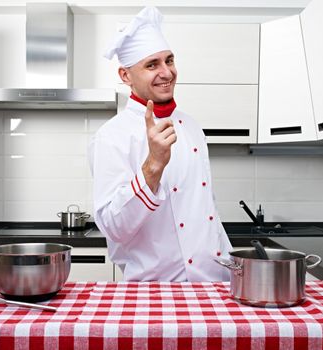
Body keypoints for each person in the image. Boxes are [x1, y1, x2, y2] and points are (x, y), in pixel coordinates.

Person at [88, 6, 232, 282]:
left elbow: (205, 208)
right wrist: (153, 166)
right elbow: (114, 227)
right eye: (152, 65)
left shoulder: (191, 126)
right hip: (155, 288)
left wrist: (229, 260)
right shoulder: (112, 136)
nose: (167, 72)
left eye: (169, 60)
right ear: (125, 76)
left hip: (215, 280)